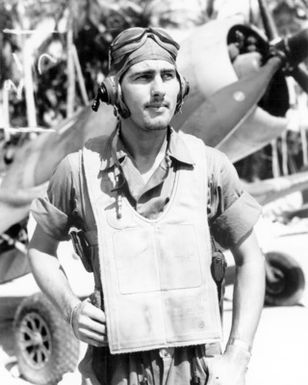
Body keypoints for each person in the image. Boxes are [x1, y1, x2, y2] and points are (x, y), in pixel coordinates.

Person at [28, 27, 265, 385]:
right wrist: (71, 309)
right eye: (142, 77)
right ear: (113, 90)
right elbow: (40, 249)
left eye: (167, 76)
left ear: (180, 87)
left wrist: (238, 356)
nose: (158, 90)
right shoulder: (78, 171)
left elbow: (251, 259)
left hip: (197, 371)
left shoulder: (211, 168)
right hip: (114, 373)